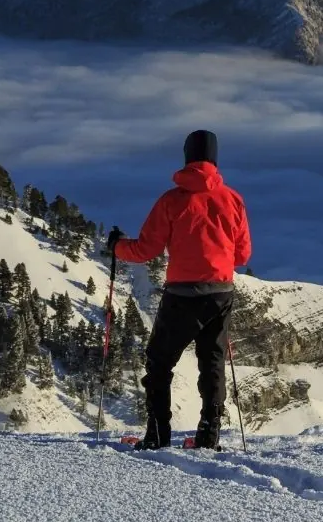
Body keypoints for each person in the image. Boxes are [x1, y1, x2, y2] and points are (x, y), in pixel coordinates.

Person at [107, 130, 251, 450]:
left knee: (160, 362)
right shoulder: (233, 199)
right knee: (211, 362)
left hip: (182, 294)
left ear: (187, 158)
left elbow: (146, 250)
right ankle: (208, 437)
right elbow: (242, 256)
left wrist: (117, 247)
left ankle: (158, 435)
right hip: (220, 292)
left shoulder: (171, 201)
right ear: (214, 159)